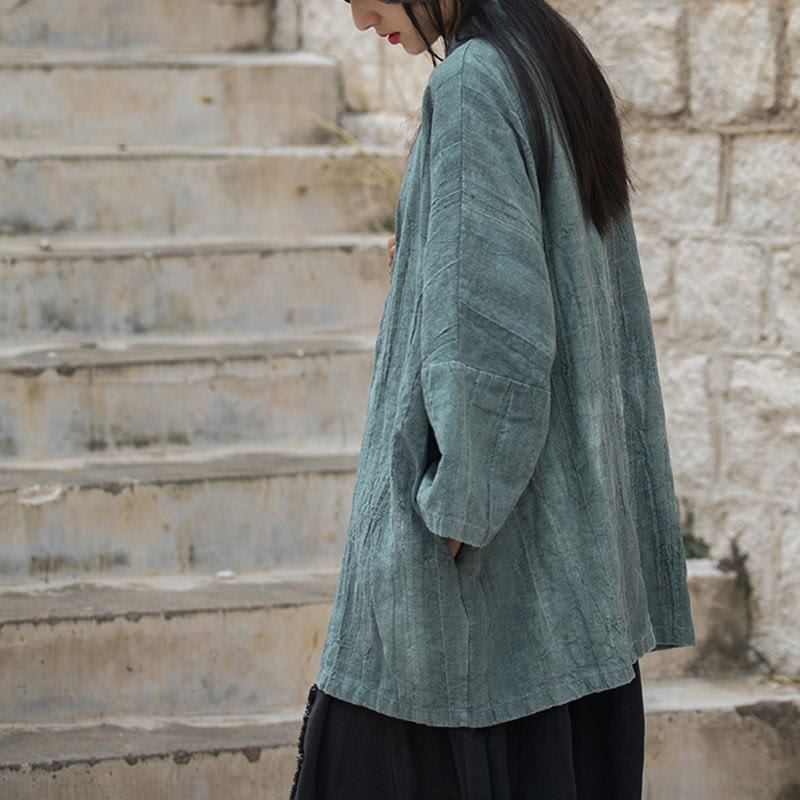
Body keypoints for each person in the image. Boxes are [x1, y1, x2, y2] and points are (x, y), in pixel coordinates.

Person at [291, 0, 695, 796]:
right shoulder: (549, 59)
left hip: (485, 617)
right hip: (569, 605)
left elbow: (497, 348)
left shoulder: (474, 82)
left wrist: (452, 515)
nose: (359, 17)